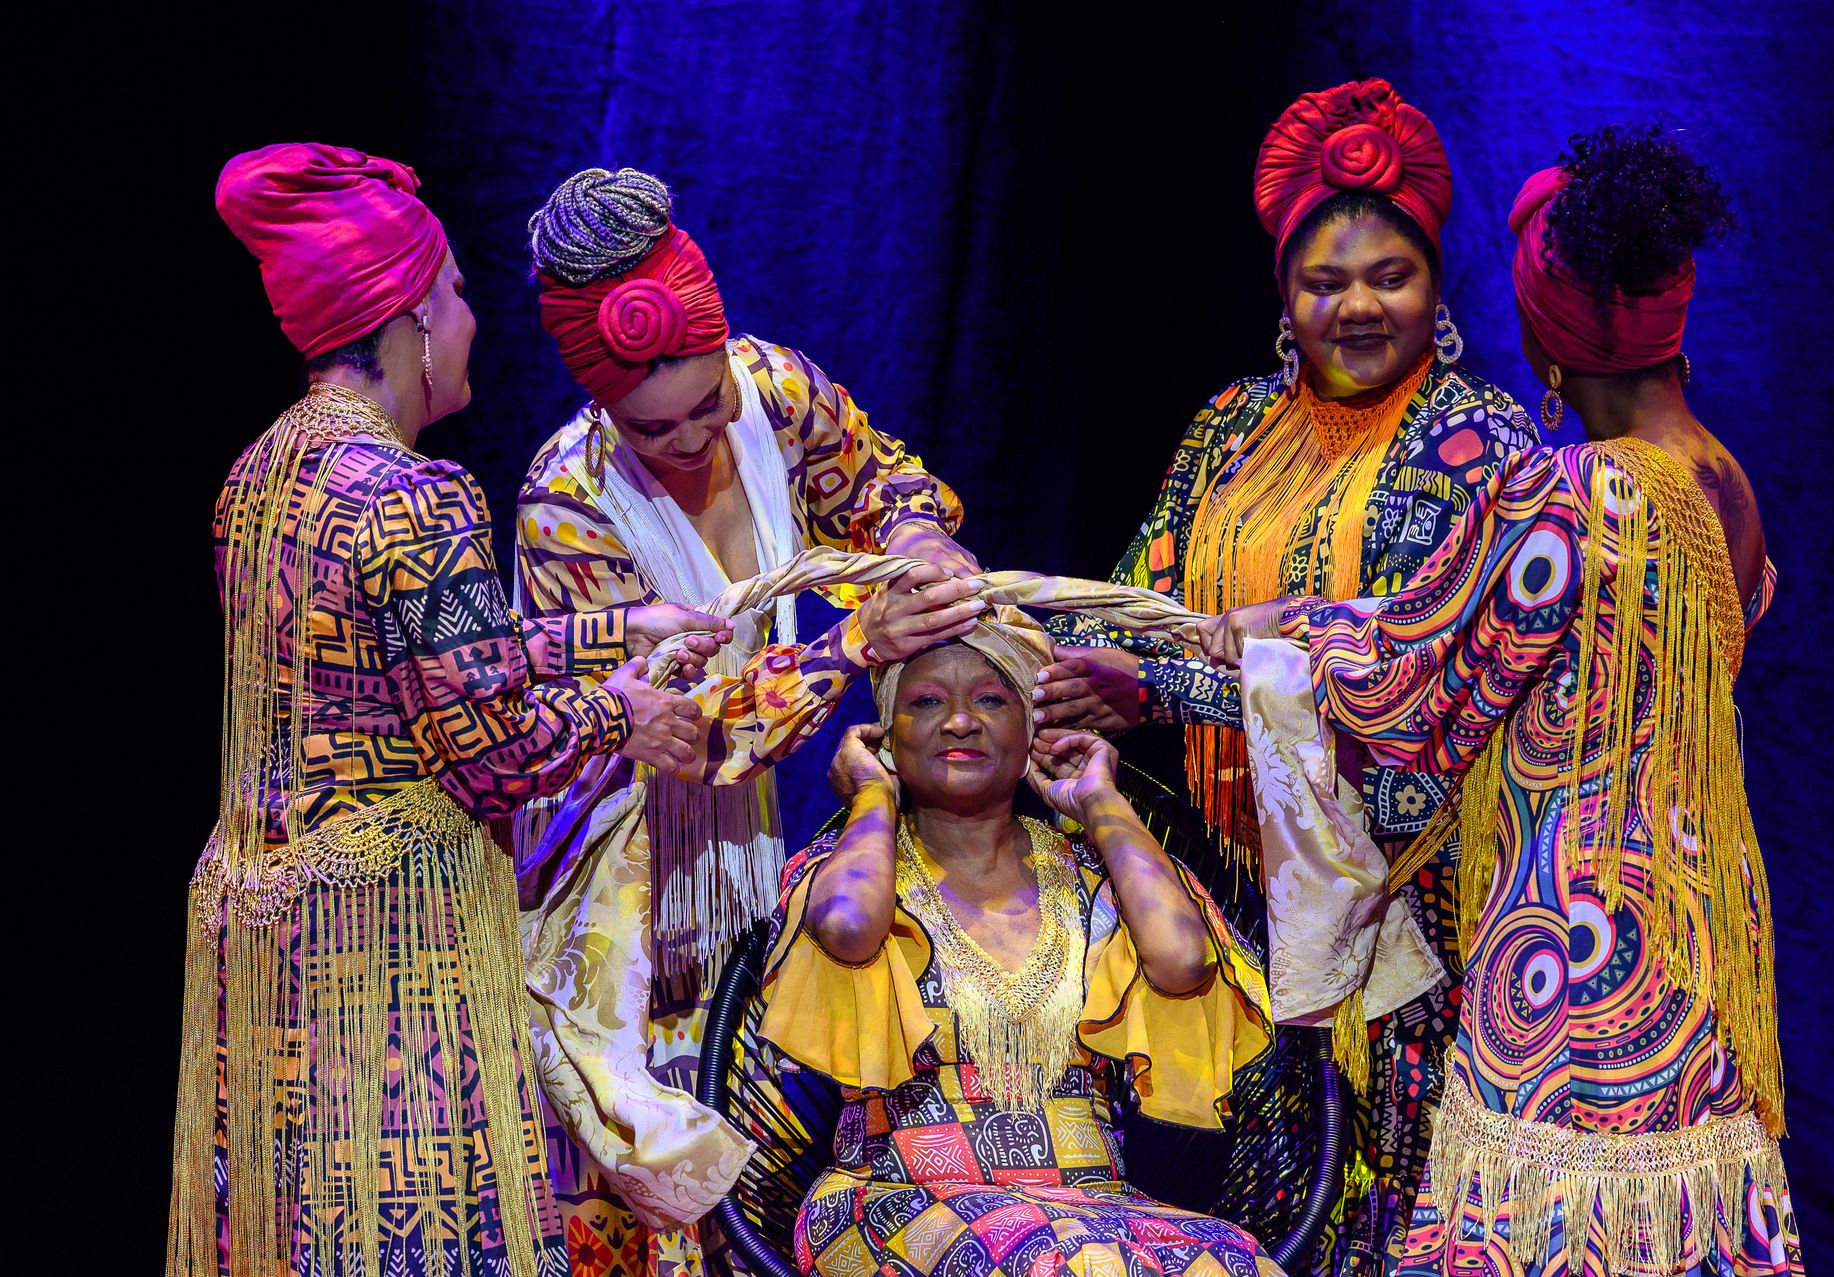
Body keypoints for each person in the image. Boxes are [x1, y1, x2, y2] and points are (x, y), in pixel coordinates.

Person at [1199, 124, 1798, 1276]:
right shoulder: (1726, 488)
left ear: (1548, 338)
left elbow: (1418, 697)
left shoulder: (1572, 493)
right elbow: (1536, 638)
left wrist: (1276, 634)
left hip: (1571, 947)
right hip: (1695, 924)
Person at [169, 144, 737, 1276]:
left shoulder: (258, 478)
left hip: (261, 924)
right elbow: (492, 754)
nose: (474, 324)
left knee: (298, 1226)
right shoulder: (416, 492)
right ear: (410, 321)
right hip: (381, 939)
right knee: (410, 1226)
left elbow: (414, 661)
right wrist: (617, 714)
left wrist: (609, 629)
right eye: (462, 299)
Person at [1037, 78, 1537, 1268]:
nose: (1358, 306)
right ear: (1283, 296)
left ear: (1437, 286)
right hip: (1231, 889)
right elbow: (1143, 597)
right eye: (1325, 281)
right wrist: (1051, 656)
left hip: (1404, 918)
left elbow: (1405, 689)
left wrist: (1162, 688)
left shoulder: (1484, 446)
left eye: (1390, 276)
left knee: (1372, 1211)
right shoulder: (1229, 427)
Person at [513, 168, 982, 1274]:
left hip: (752, 862)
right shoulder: (567, 503)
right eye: (650, 426)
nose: (685, 441)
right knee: (649, 1192)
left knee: (767, 1188)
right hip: (630, 877)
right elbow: (680, 731)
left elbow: (888, 482)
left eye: (703, 406)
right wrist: (849, 644)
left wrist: (912, 539)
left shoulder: (772, 388)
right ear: (603, 407)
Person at [759, 615, 1278, 1277]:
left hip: (1094, 1209)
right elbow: (849, 929)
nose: (959, 721)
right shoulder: (848, 873)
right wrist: (871, 798)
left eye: (991, 698)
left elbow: (1184, 960)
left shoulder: (1090, 881)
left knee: (1233, 1262)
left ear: (1031, 729)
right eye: (925, 702)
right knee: (1058, 1261)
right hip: (898, 1198)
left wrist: (1099, 800)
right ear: (886, 738)